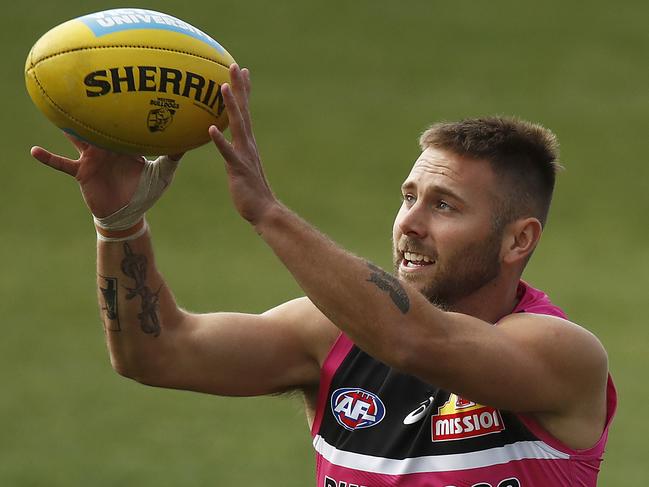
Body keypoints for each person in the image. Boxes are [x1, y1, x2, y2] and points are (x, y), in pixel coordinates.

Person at [31, 64, 616, 487]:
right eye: (408, 196)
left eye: (444, 206)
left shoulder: (561, 354)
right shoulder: (331, 333)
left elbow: (413, 341)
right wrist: (120, 223)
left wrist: (268, 211)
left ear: (519, 239)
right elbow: (154, 353)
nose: (409, 223)